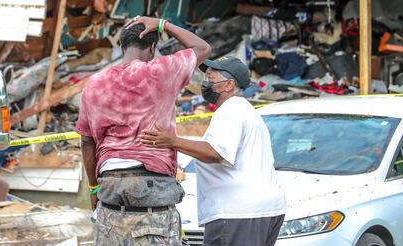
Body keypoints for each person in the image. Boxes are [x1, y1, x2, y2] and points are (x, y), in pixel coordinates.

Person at [77, 16, 211, 245]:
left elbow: (87, 143)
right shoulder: (162, 70)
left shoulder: (94, 83)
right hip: (152, 185)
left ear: (121, 46)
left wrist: (93, 188)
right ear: (152, 47)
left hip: (110, 187)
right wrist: (162, 24)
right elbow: (202, 47)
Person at [140, 56, 286, 246]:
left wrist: (172, 141)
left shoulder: (231, 109)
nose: (206, 82)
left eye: (211, 77)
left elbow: (215, 153)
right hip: (262, 209)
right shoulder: (245, 110)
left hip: (238, 212)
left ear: (229, 85)